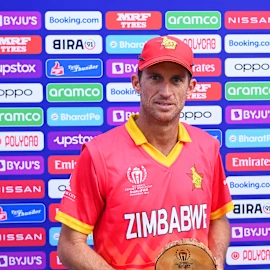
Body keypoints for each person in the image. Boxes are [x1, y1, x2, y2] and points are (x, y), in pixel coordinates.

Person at [56, 35, 234, 270]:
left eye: (177, 80)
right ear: (136, 82)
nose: (166, 91)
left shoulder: (208, 147)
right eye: (155, 78)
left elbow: (217, 219)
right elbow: (69, 244)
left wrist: (216, 261)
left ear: (190, 88)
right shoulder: (99, 153)